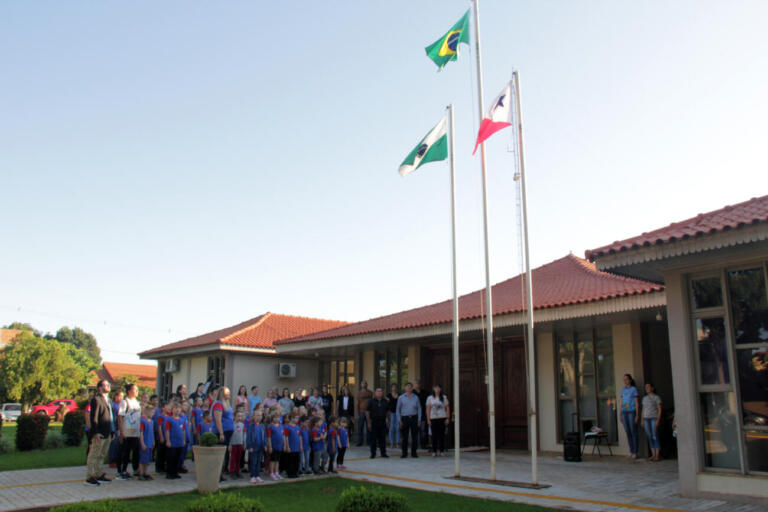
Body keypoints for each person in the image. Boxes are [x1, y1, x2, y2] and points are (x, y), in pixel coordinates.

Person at [85, 380, 114, 486]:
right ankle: (89, 476)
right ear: (100, 388)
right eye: (106, 385)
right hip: (99, 433)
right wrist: (95, 432)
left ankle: (98, 473)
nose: (109, 386)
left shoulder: (108, 400)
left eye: (109, 384)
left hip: (107, 432)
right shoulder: (96, 400)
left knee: (102, 454)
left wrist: (112, 431)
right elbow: (94, 418)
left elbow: (110, 417)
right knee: (94, 454)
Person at [117, 383, 142, 479]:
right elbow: (120, 416)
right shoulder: (124, 402)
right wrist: (121, 432)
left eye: (137, 390)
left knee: (136, 451)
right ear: (129, 391)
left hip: (135, 432)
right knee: (125, 452)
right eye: (135, 390)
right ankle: (122, 470)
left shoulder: (137, 402)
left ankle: (135, 469)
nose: (137, 391)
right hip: (126, 431)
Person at [212, 386, 235, 478]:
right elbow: (218, 420)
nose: (229, 394)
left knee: (225, 454)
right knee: (220, 455)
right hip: (222, 432)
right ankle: (217, 474)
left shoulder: (227, 404)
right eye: (227, 392)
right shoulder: (218, 404)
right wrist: (221, 433)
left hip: (228, 431)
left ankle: (221, 473)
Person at [396, 382, 421, 458]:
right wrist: (399, 420)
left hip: (414, 417)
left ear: (412, 388)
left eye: (410, 387)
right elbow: (398, 410)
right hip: (405, 418)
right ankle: (404, 453)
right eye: (407, 387)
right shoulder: (401, 398)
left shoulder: (416, 397)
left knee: (414, 437)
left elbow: (419, 409)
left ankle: (414, 453)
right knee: (404, 437)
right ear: (405, 388)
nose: (409, 388)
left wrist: (419, 419)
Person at [426, 384, 450, 457]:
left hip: (442, 418)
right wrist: (428, 419)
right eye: (435, 388)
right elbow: (428, 409)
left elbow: (447, 408)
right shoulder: (430, 398)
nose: (437, 389)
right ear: (433, 389)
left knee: (442, 435)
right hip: (433, 418)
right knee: (434, 436)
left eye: (438, 388)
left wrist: (447, 418)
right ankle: (434, 451)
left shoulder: (444, 397)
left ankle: (442, 451)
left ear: (440, 389)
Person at [620, 373, 641, 459]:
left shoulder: (633, 389)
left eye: (626, 379)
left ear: (630, 380)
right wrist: (620, 413)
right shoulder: (623, 390)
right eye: (624, 379)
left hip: (632, 411)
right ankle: (631, 450)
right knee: (628, 432)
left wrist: (637, 414)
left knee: (633, 431)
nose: (625, 381)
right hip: (624, 411)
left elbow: (636, 402)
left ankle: (635, 451)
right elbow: (622, 402)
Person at [641, 382, 663, 462]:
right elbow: (643, 409)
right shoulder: (644, 398)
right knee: (649, 436)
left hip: (654, 418)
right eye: (645, 387)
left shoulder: (656, 397)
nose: (647, 388)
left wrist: (658, 419)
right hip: (646, 418)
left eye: (648, 386)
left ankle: (657, 455)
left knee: (655, 436)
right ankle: (653, 454)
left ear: (652, 388)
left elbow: (660, 409)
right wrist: (642, 419)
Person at [366, 387, 390, 459]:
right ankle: (373, 453)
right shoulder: (371, 401)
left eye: (381, 391)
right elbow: (367, 412)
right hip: (374, 422)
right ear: (375, 393)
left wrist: (389, 421)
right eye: (378, 391)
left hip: (382, 422)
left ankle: (383, 453)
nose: (379, 392)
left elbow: (388, 412)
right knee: (373, 439)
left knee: (382, 438)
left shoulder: (385, 401)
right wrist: (369, 422)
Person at [164, 404, 185, 479]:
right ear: (172, 410)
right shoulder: (169, 420)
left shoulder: (182, 420)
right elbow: (167, 430)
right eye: (176, 408)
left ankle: (175, 472)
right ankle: (169, 473)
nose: (177, 410)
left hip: (179, 442)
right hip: (172, 442)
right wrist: (168, 440)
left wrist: (183, 440)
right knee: (171, 458)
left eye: (179, 408)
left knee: (177, 457)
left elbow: (183, 431)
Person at [247, 408, 266, 483]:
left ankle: (257, 475)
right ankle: (252, 476)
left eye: (260, 415)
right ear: (254, 416)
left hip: (260, 447)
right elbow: (249, 437)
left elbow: (264, 436)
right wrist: (250, 446)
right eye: (257, 415)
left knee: (259, 462)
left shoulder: (262, 426)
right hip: (253, 447)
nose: (259, 417)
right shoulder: (251, 426)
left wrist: (265, 445)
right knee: (253, 462)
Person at [138, 405, 154, 481]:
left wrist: (153, 441)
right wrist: (142, 443)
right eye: (151, 412)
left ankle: (145, 473)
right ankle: (141, 473)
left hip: (150, 442)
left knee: (147, 459)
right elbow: (141, 433)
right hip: (145, 442)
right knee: (142, 459)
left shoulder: (151, 421)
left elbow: (152, 432)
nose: (152, 414)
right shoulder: (142, 421)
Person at [228, 411, 247, 479]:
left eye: (241, 416)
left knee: (238, 459)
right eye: (238, 416)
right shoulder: (232, 425)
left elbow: (244, 435)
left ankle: (237, 471)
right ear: (234, 416)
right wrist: (229, 446)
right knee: (233, 459)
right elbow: (230, 436)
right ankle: (231, 471)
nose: (239, 418)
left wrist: (244, 444)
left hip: (240, 444)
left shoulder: (242, 425)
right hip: (233, 444)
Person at [266, 413, 284, 480]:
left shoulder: (281, 426)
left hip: (280, 445)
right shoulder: (270, 427)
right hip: (273, 446)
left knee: (277, 460)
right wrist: (270, 446)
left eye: (278, 417)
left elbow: (283, 436)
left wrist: (283, 444)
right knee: (272, 460)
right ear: (272, 418)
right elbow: (269, 437)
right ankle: (272, 473)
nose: (276, 419)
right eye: (275, 417)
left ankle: (276, 472)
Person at [283, 413, 302, 478]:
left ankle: (296, 472)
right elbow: (286, 437)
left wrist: (300, 445)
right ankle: (290, 473)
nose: (297, 419)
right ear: (292, 419)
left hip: (297, 447)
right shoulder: (287, 427)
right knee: (290, 461)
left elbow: (300, 437)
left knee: (297, 460)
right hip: (291, 447)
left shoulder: (298, 427)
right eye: (296, 418)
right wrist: (287, 446)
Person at [108, 390, 123, 467]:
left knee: (118, 444)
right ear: (116, 396)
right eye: (120, 396)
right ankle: (112, 460)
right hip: (114, 426)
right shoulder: (113, 405)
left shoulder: (120, 405)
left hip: (119, 426)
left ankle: (117, 459)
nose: (121, 398)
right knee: (114, 443)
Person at [356, 381, 373, 446]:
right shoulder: (359, 394)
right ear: (361, 385)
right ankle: (360, 441)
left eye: (365, 383)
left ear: (367, 384)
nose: (364, 384)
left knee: (369, 427)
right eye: (363, 383)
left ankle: (369, 441)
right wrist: (358, 414)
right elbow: (357, 404)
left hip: (369, 413)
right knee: (360, 428)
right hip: (361, 412)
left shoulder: (370, 393)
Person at [414, 380, 429, 451]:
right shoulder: (412, 393)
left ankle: (423, 444)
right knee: (415, 430)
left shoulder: (425, 392)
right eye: (416, 383)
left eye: (418, 383)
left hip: (423, 413)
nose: (417, 385)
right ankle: (415, 444)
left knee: (422, 430)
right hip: (414, 414)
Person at [386, 384, 400, 448]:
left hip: (398, 413)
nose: (394, 388)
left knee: (397, 428)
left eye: (395, 387)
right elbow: (387, 405)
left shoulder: (400, 395)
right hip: (390, 413)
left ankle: (397, 443)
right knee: (391, 428)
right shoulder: (388, 395)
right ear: (391, 388)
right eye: (393, 387)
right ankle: (391, 443)